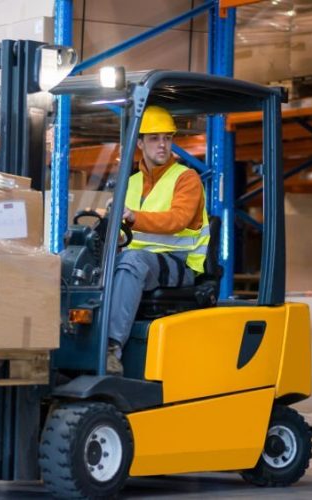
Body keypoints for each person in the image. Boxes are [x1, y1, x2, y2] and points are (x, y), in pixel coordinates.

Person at [107, 105, 210, 375]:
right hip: (143, 262)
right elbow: (122, 231)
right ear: (140, 143)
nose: (162, 145)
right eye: (154, 138)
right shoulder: (130, 183)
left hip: (179, 265)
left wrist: (132, 218)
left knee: (131, 262)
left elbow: (177, 220)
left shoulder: (186, 179)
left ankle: (111, 348)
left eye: (167, 138)